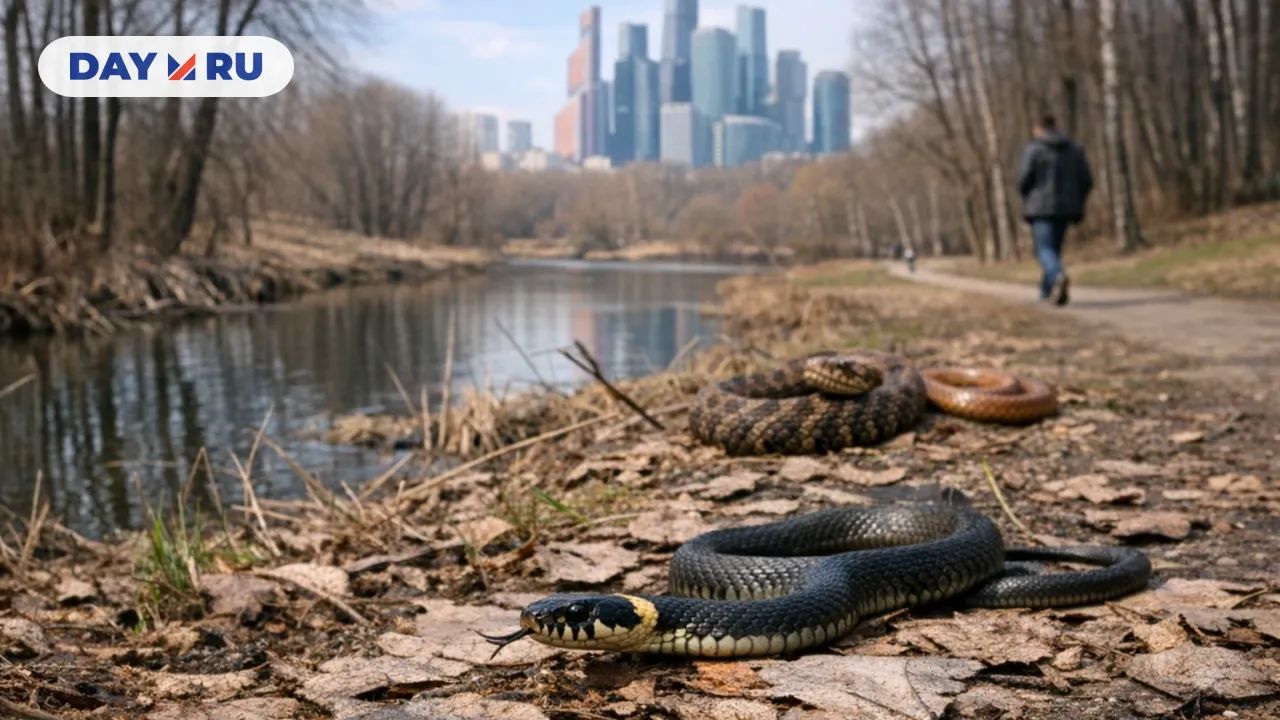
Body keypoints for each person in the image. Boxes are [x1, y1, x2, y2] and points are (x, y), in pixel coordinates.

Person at [1016, 115, 1093, 306]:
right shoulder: (1074, 150)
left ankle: (1058, 276)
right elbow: (1087, 180)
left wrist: (1028, 197)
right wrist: (1077, 201)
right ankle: (1047, 291)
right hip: (1066, 209)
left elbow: (1023, 179)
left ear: (1039, 129)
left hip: (1040, 208)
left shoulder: (1034, 149)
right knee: (1053, 251)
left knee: (1043, 250)